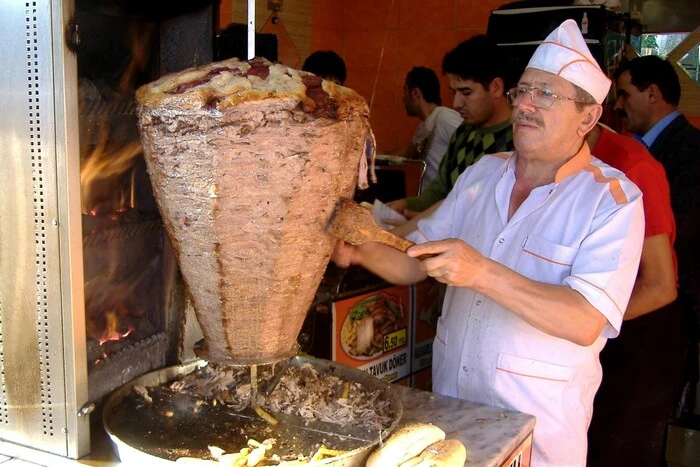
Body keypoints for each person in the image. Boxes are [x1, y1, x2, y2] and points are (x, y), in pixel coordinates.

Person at [331, 20, 645, 466]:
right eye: (523, 92)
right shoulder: (484, 172)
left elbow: (585, 320)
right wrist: (361, 250)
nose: (526, 106)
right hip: (453, 411)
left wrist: (481, 273)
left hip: (537, 428)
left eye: (547, 95)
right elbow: (416, 260)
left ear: (588, 117)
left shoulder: (612, 201)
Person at [585, 122, 681, 465]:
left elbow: (660, 286)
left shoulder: (631, 164)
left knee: (619, 449)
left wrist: (580, 323)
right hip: (588, 330)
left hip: (638, 334)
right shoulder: (537, 159)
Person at [614, 55, 700, 422]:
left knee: (639, 420)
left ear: (652, 93)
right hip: (643, 306)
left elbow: (681, 231)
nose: (617, 106)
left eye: (624, 94)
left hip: (669, 307)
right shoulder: (638, 149)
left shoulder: (686, 150)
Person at [386, 35, 514, 219]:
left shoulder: (517, 139)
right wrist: (404, 205)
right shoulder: (463, 133)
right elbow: (439, 191)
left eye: (466, 92)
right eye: (454, 92)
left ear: (496, 87)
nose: (456, 103)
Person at [401, 66, 463, 191]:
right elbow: (407, 155)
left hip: (446, 203)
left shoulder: (445, 117)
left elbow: (471, 154)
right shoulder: (422, 127)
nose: (403, 98)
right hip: (431, 203)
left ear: (415, 93)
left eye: (405, 91)